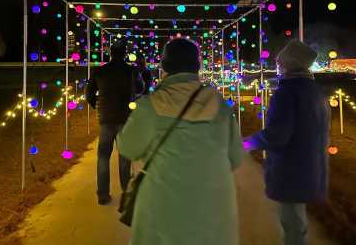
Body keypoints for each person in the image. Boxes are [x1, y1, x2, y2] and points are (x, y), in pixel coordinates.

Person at [117, 38, 244, 245]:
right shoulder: (219, 104)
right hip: (213, 212)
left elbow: (128, 148)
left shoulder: (151, 105)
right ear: (197, 67)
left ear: (164, 67)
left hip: (162, 211)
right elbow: (236, 157)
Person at [246, 39, 330, 245]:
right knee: (296, 223)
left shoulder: (286, 93)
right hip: (309, 165)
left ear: (289, 64)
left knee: (292, 225)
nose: (277, 66)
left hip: (291, 168)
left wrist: (246, 143)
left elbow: (277, 135)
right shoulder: (315, 92)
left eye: (280, 62)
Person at [85, 39, 144, 205]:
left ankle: (103, 194)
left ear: (110, 54)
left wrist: (96, 105)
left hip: (105, 118)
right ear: (125, 54)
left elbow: (89, 93)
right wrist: (133, 96)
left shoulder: (99, 71)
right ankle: (126, 190)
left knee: (103, 156)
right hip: (125, 117)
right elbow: (141, 88)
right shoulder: (131, 71)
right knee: (124, 156)